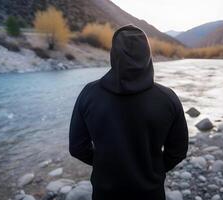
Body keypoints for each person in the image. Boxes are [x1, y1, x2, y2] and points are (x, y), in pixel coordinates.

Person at [69, 25, 188, 200]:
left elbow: (77, 147)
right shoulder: (167, 98)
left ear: (113, 54)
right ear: (147, 55)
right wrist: (153, 168)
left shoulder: (89, 93)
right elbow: (178, 151)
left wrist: (103, 164)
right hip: (151, 193)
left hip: (105, 193)